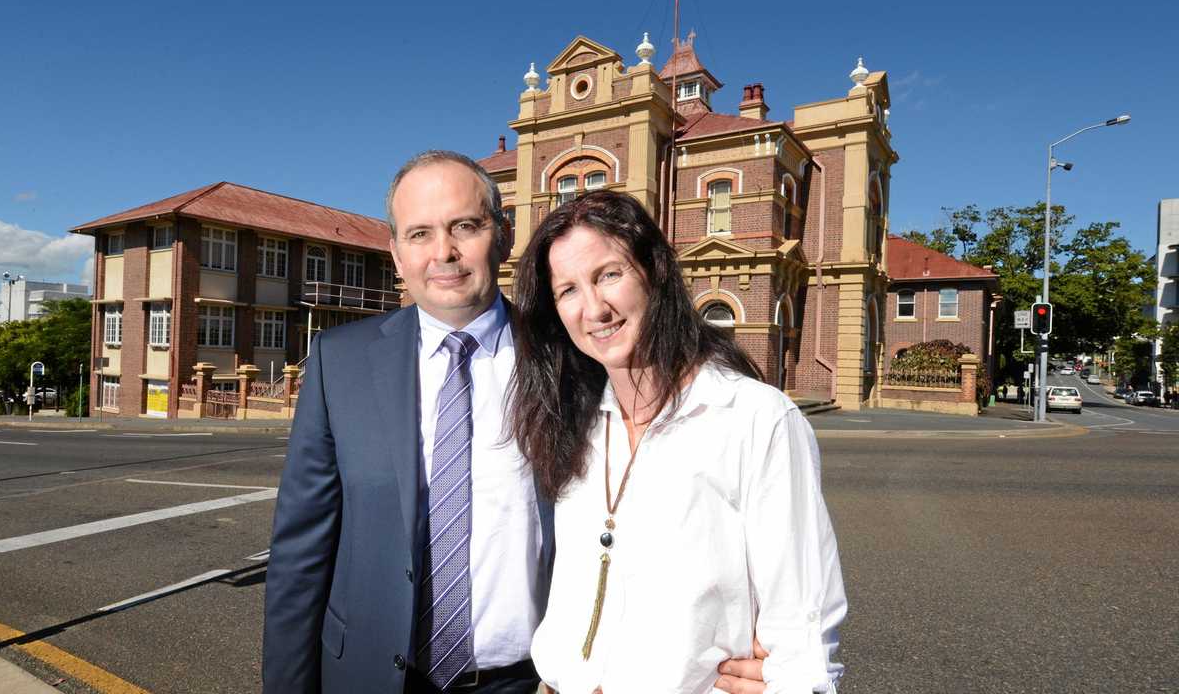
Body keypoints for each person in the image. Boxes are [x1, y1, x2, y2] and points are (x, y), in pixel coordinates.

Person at [263, 152, 769, 693]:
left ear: (503, 236)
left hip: (531, 683)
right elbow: (302, 553)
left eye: (465, 226)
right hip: (367, 676)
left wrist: (746, 638)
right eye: (419, 234)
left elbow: (668, 507)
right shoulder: (339, 362)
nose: (444, 253)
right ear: (395, 254)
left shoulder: (577, 355)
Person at [509, 190, 847, 694]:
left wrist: (789, 683)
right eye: (568, 291)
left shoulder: (755, 418)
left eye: (609, 274)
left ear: (654, 272)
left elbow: (801, 627)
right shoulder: (573, 421)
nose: (594, 308)